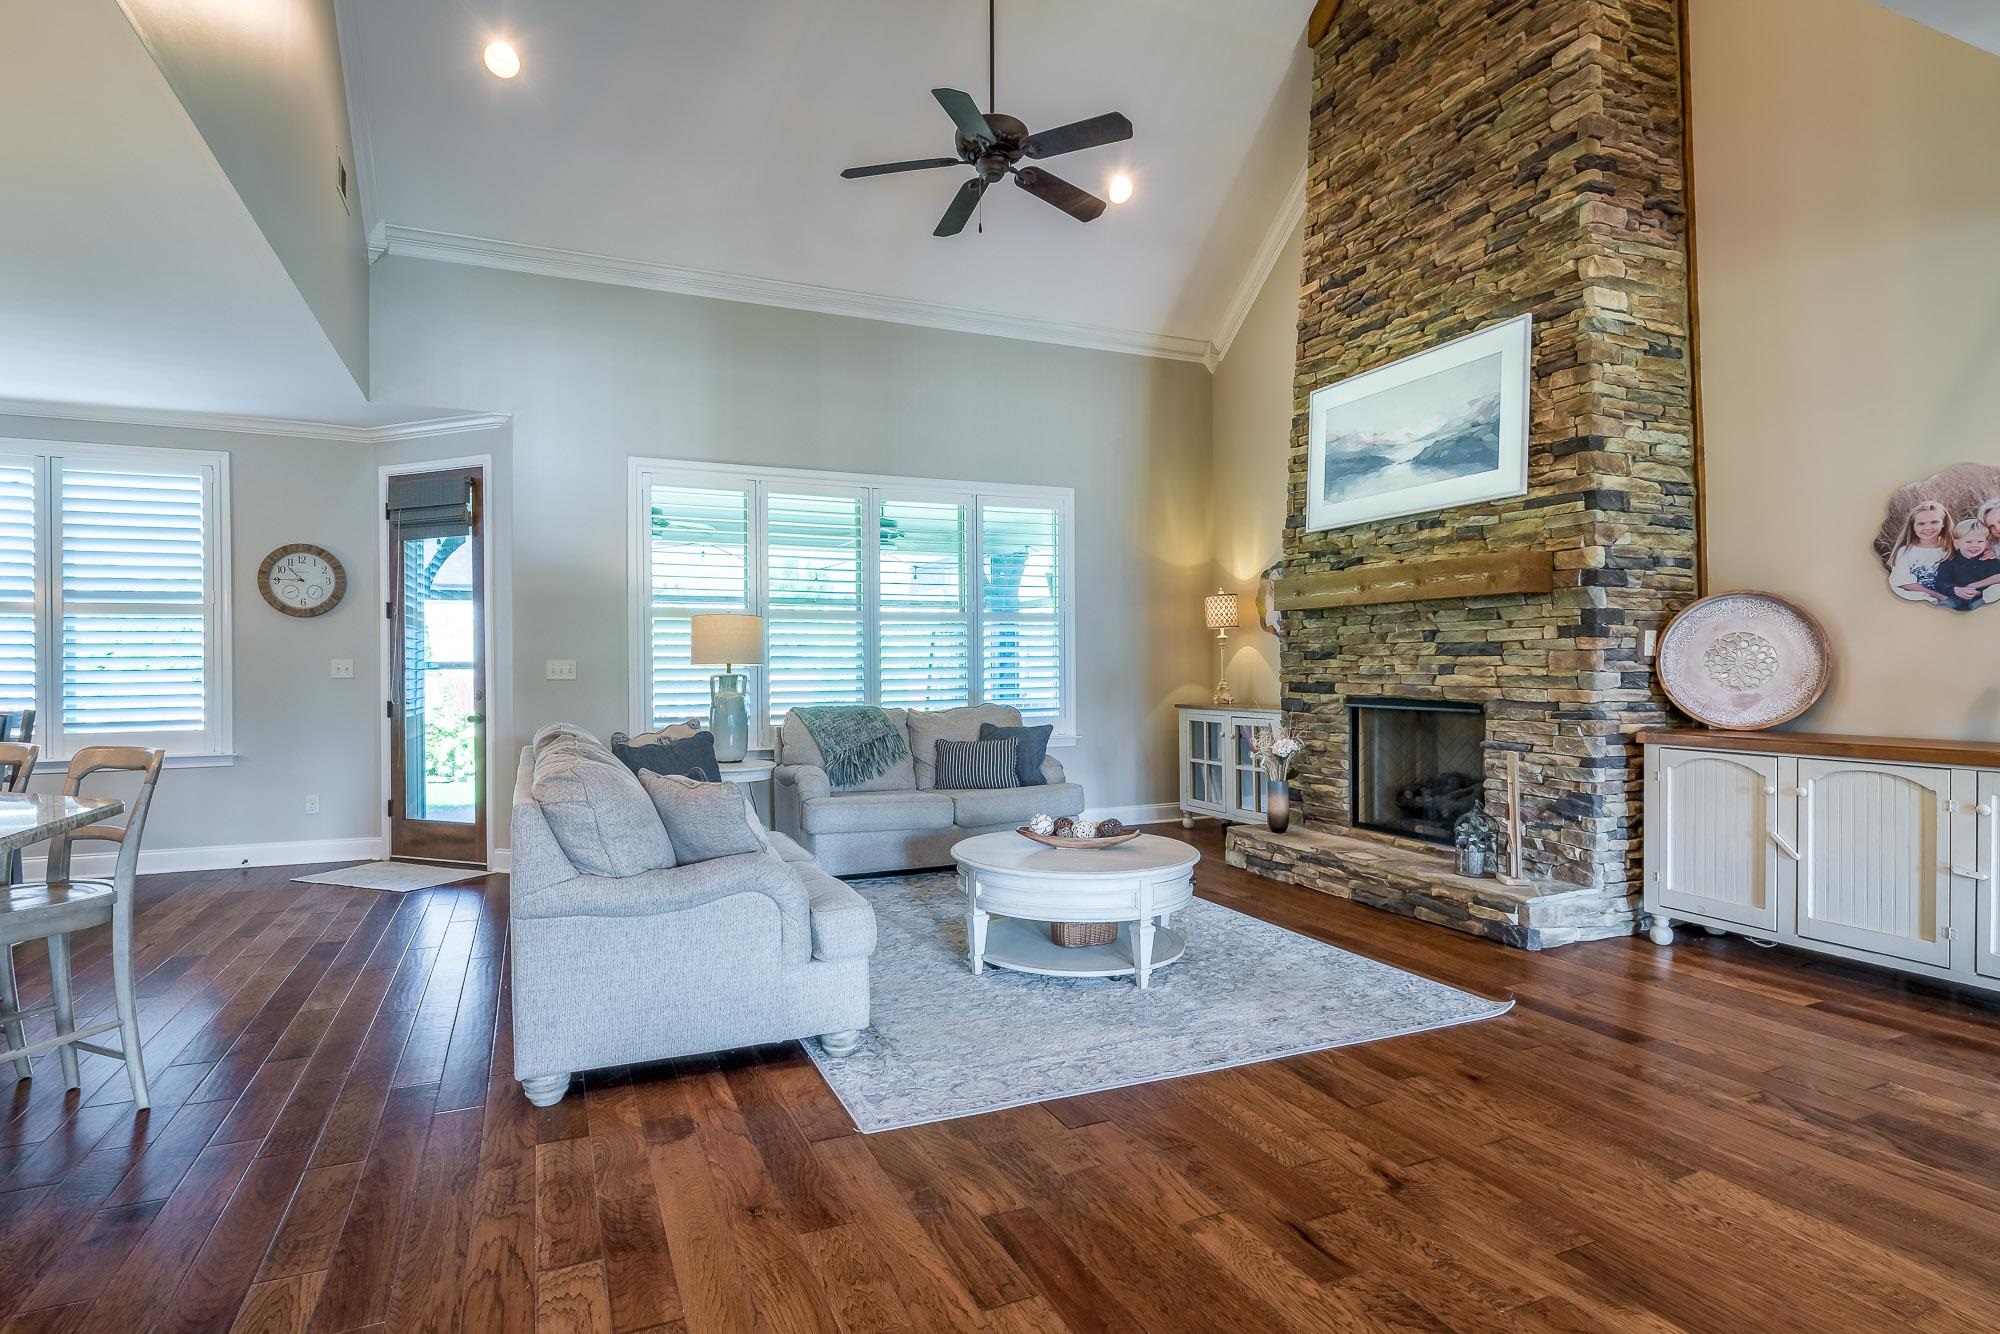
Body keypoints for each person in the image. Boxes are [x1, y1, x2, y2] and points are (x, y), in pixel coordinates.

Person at [1888, 499, 1954, 604]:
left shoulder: (1952, 548)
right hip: (1917, 597)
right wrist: (1940, 597)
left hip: (1949, 595)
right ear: (1913, 526)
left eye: (1934, 522)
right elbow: (1904, 582)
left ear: (1943, 523)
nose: (1928, 528)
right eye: (1921, 524)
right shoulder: (1905, 551)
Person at [1936, 519, 2000, 610]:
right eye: (1968, 542)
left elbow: (1995, 582)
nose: (1974, 545)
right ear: (1957, 543)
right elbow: (1941, 582)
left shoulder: (1990, 560)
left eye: (1980, 541)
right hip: (1954, 596)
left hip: (1980, 597)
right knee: (1945, 606)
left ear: (1986, 543)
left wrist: (1979, 592)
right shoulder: (1949, 561)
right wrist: (1955, 590)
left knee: (1982, 606)